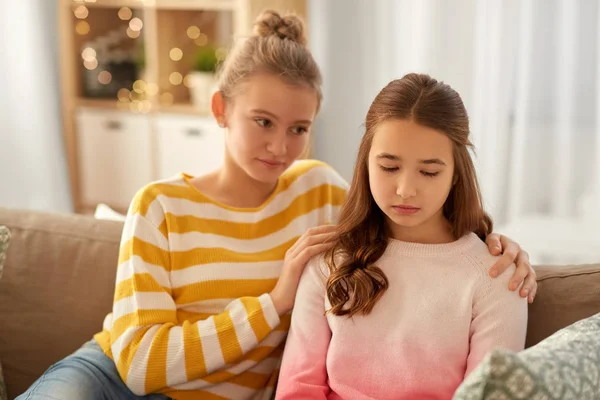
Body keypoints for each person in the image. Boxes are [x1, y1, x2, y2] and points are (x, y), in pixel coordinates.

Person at [18, 12, 535, 400]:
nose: (279, 147)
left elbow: (407, 220)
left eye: (299, 129)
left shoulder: (319, 192)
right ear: (221, 109)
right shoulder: (159, 206)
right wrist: (273, 303)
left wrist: (499, 246)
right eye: (262, 121)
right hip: (111, 377)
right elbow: (137, 364)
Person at [275, 73, 529, 400]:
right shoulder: (328, 263)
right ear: (365, 164)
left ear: (455, 176)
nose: (405, 190)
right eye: (389, 167)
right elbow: (297, 391)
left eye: (429, 172)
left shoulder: (496, 276)